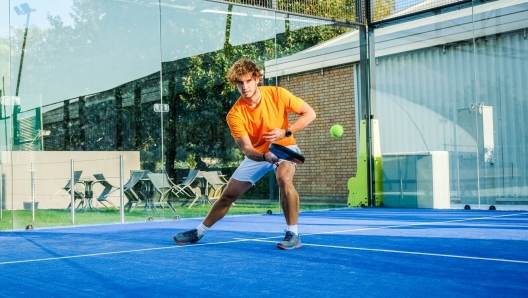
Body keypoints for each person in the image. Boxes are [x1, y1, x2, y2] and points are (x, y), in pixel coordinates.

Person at [173, 59, 316, 250]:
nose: (244, 86)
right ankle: (198, 232)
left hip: (284, 147)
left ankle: (293, 234)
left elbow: (309, 113)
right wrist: (265, 157)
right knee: (227, 196)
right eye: (239, 82)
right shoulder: (234, 114)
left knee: (284, 179)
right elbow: (247, 150)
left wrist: (286, 132)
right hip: (258, 154)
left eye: (248, 81)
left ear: (257, 79)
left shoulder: (277, 94)